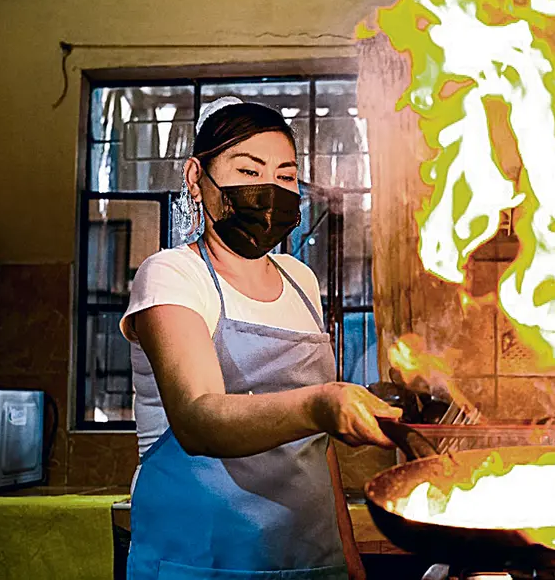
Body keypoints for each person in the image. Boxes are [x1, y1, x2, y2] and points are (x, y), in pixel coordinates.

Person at [119, 96, 401, 580]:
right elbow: (197, 418)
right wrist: (320, 404)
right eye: (248, 172)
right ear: (196, 177)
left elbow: (316, 449)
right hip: (201, 565)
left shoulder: (301, 280)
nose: (270, 189)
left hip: (311, 562)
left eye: (286, 176)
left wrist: (350, 563)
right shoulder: (172, 275)